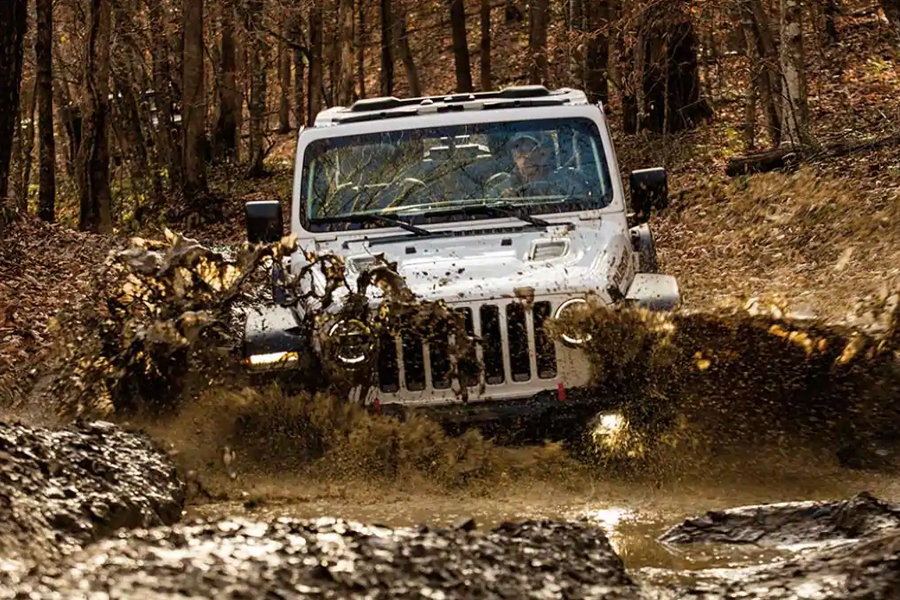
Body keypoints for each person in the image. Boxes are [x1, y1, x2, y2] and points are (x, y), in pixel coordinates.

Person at [486, 131, 587, 198]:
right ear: (513, 157)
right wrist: (506, 201)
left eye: (530, 149)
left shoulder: (564, 182)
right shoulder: (501, 186)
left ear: (543, 154)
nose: (525, 158)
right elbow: (489, 209)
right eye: (518, 151)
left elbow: (582, 201)